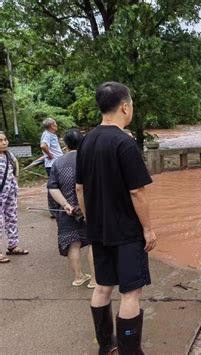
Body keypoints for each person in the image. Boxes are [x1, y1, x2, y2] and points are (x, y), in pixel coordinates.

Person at [76, 82, 157, 354]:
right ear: (125, 106)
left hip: (98, 231)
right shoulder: (125, 142)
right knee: (131, 292)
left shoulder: (86, 141)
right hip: (126, 232)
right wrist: (148, 229)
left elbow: (79, 188)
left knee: (102, 287)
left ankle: (106, 346)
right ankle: (130, 351)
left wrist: (91, 221)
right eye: (131, 105)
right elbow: (137, 191)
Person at [48, 129, 95, 288]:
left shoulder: (58, 162)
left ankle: (78, 277)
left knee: (73, 243)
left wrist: (66, 205)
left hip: (68, 211)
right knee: (93, 243)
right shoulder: (90, 159)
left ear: (66, 144)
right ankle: (95, 280)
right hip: (90, 208)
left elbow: (53, 188)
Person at [0, 131, 28, 263]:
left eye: (5, 139)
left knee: (11, 217)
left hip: (10, 193)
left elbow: (15, 167)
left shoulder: (9, 155)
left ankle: (13, 245)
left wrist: (15, 182)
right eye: (0, 140)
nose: (4, 142)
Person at [40, 118, 63, 217]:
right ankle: (53, 210)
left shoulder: (52, 135)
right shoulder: (47, 134)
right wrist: (49, 155)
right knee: (53, 186)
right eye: (55, 123)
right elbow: (43, 145)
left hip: (56, 163)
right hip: (52, 164)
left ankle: (58, 207)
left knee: (58, 185)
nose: (57, 125)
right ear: (52, 126)